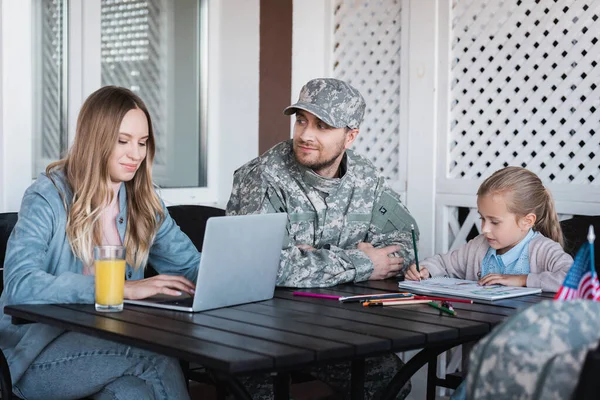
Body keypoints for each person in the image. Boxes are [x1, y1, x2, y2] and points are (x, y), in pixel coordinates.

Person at [0, 86, 199, 399]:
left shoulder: (143, 201)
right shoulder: (47, 197)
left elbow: (190, 267)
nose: (136, 154)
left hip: (109, 349)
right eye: (123, 141)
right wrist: (118, 288)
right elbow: (20, 284)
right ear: (96, 139)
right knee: (154, 352)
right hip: (34, 360)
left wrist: (240, 278)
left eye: (142, 142)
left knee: (132, 393)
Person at [227, 78, 415, 399]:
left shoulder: (365, 177)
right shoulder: (263, 176)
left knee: (391, 382)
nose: (305, 134)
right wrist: (361, 261)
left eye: (322, 125)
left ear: (350, 136)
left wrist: (313, 256)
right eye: (301, 120)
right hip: (261, 332)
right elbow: (266, 267)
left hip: (336, 329)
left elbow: (404, 247)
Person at [405, 166, 573, 292]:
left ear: (526, 221)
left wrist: (522, 280)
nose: (484, 229)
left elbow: (574, 279)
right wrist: (425, 269)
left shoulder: (543, 250)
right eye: (482, 218)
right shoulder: (478, 247)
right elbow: (443, 263)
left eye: (494, 222)